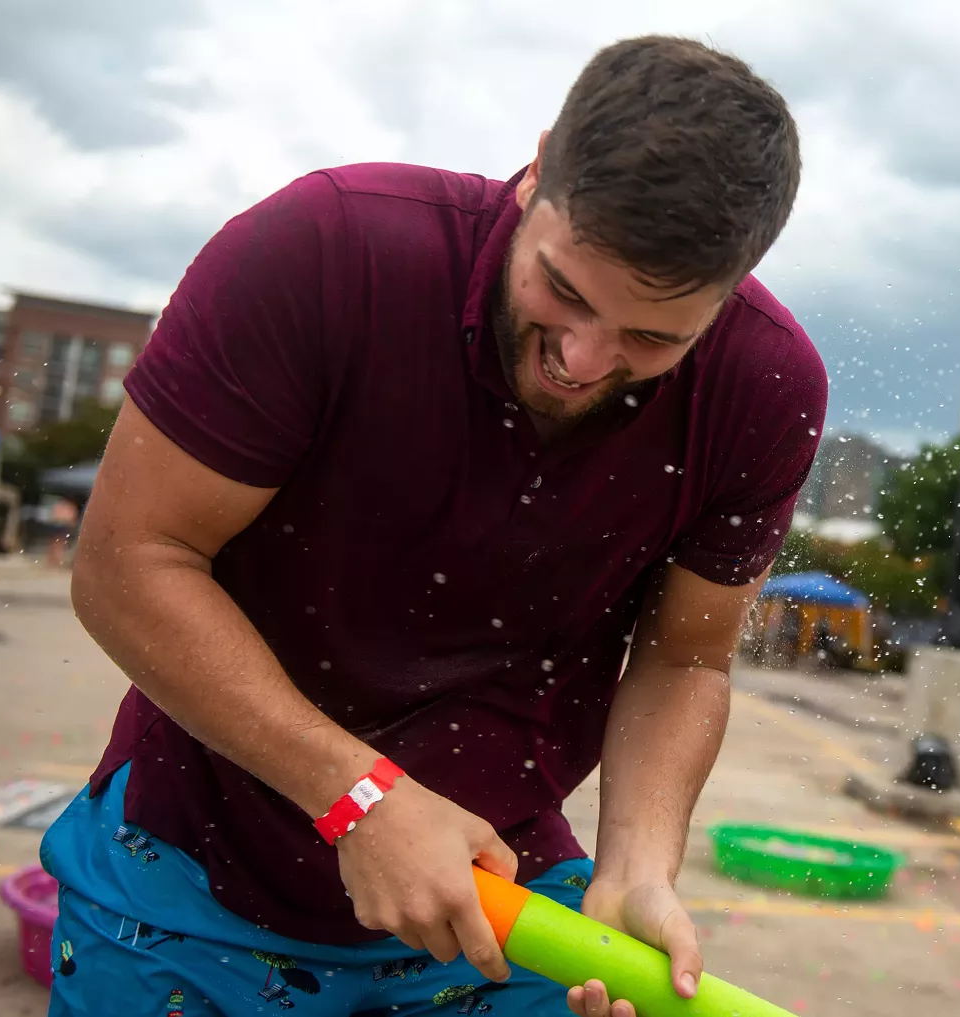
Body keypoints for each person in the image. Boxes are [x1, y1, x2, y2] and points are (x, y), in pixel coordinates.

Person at [43, 35, 824, 1017]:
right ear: (537, 170)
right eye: (564, 291)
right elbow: (128, 562)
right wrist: (356, 793)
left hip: (498, 894)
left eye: (651, 336)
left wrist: (637, 865)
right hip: (192, 863)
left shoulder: (765, 385)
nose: (583, 360)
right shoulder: (322, 249)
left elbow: (684, 657)